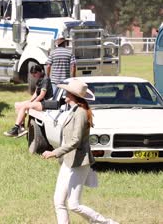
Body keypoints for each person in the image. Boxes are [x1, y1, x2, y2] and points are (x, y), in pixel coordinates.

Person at [41, 79, 118, 224]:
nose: (64, 95)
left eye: (67, 93)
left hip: (79, 163)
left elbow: (75, 141)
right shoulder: (74, 110)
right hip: (67, 161)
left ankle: (106, 222)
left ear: (73, 95)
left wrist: (54, 152)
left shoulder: (81, 113)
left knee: (74, 204)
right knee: (58, 201)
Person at [4, 65, 52, 137]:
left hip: (45, 103)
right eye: (32, 73)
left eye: (35, 73)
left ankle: (16, 128)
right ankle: (21, 128)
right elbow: (36, 93)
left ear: (40, 71)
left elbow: (41, 95)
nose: (33, 75)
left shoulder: (45, 79)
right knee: (17, 105)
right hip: (39, 102)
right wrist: (30, 101)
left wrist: (32, 103)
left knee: (24, 107)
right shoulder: (39, 79)